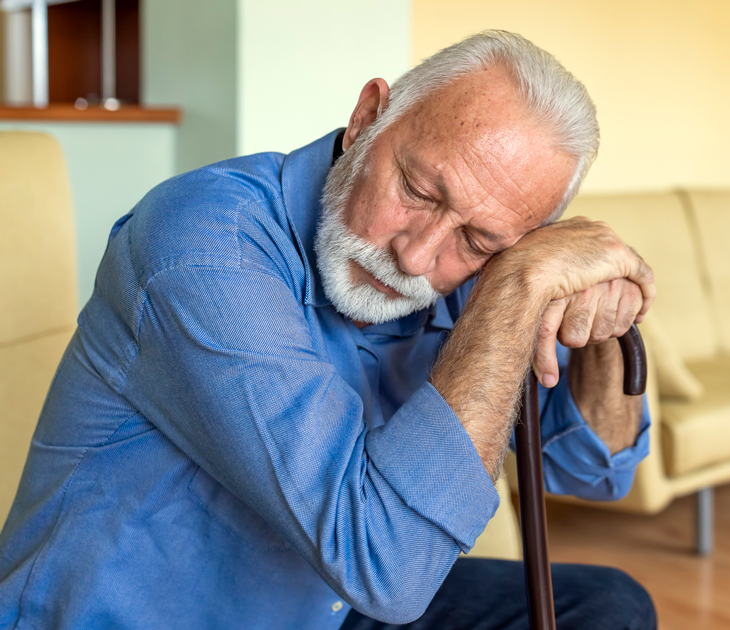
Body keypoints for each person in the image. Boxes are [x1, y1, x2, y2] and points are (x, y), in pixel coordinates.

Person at [0, 31, 658, 630]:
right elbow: (386, 571)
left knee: (607, 606)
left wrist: (596, 311)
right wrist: (514, 290)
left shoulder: (482, 274)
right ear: (369, 118)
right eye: (420, 191)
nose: (416, 256)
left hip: (324, 601)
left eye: (479, 238)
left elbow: (594, 472)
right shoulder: (202, 243)